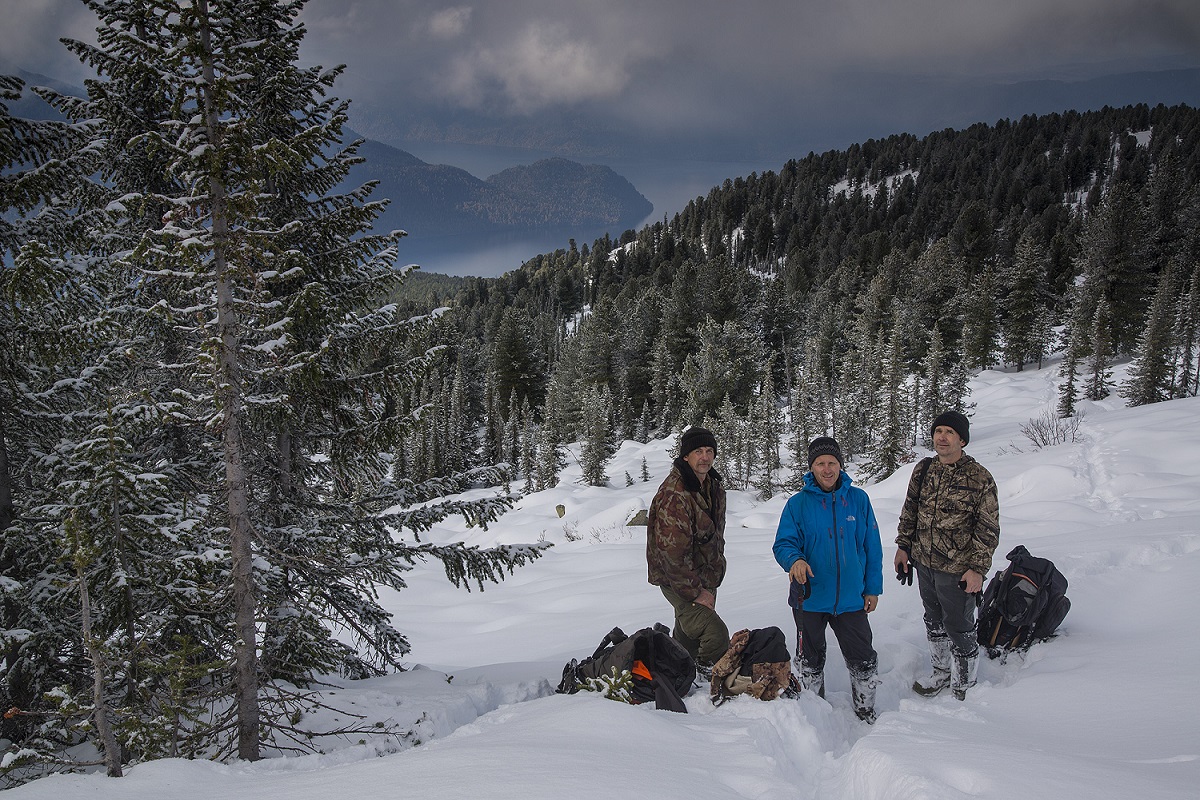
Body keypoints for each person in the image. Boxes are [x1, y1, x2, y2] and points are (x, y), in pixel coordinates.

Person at [773, 436, 883, 723]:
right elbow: (783, 543)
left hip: (851, 597)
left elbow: (872, 546)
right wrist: (794, 560)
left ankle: (865, 709)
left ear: (840, 466)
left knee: (862, 657)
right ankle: (814, 713)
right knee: (809, 660)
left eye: (832, 462)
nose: (826, 469)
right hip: (808, 597)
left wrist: (872, 588)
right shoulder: (797, 505)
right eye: (820, 463)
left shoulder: (858, 500)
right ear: (811, 468)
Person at [894, 410, 1000, 701]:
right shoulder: (924, 469)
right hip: (924, 562)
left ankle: (965, 682)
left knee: (959, 624)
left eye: (949, 432)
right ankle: (941, 671)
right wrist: (903, 547)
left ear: (962, 440)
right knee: (933, 619)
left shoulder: (979, 477)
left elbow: (988, 527)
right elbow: (910, 510)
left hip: (957, 569)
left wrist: (977, 568)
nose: (941, 437)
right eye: (938, 431)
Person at [647, 426, 730, 673]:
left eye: (709, 451)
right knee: (715, 634)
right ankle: (704, 679)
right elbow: (672, 554)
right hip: (679, 581)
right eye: (698, 452)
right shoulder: (675, 494)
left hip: (702, 576)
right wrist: (696, 593)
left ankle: (678, 673)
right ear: (685, 456)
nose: (705, 457)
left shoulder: (712, 487)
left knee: (687, 638)